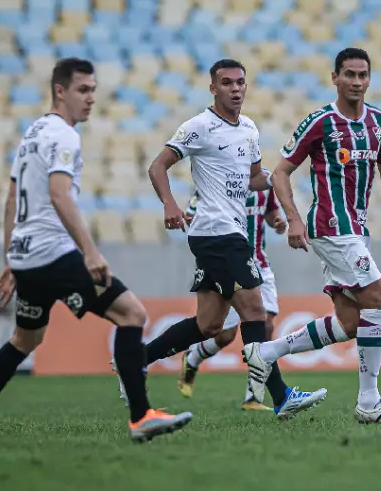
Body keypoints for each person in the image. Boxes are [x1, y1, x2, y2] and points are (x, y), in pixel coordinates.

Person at [0, 58, 192, 447]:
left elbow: (11, 200)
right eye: (83, 90)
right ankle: (141, 416)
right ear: (59, 91)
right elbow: (59, 195)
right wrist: (90, 251)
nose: (91, 98)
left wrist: (12, 259)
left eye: (93, 90)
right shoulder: (64, 136)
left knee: (24, 340)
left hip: (28, 257)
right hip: (53, 255)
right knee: (131, 314)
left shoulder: (32, 133)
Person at [115, 58, 326, 420]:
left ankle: (135, 362)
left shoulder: (249, 129)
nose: (235, 88)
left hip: (226, 233)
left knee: (208, 325)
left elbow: (254, 179)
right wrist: (170, 203)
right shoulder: (200, 126)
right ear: (213, 88)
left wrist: (283, 173)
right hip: (217, 233)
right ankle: (281, 396)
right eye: (226, 83)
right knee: (255, 313)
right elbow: (157, 166)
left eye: (240, 82)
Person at [241, 47, 381, 424]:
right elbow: (280, 172)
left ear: (369, 79)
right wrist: (293, 219)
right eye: (349, 74)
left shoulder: (380, 123)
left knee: (350, 323)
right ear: (335, 78)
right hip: (331, 227)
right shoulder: (320, 122)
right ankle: (368, 402)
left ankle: (266, 352)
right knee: (378, 300)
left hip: (357, 232)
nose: (356, 82)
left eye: (363, 75)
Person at [176, 188, 286, 412]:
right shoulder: (218, 179)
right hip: (230, 263)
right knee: (224, 335)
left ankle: (253, 395)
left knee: (265, 326)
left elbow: (271, 211)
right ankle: (193, 358)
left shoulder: (265, 183)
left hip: (260, 264)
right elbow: (192, 215)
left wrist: (277, 221)